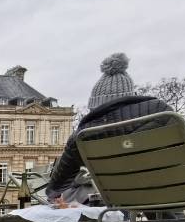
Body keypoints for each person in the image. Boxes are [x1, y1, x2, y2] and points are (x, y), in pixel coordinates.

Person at [47, 53, 173, 205]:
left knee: (140, 186)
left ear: (95, 106)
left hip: (122, 196)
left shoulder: (83, 135)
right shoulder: (165, 115)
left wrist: (51, 194)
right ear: (131, 96)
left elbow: (59, 180)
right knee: (151, 183)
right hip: (174, 186)